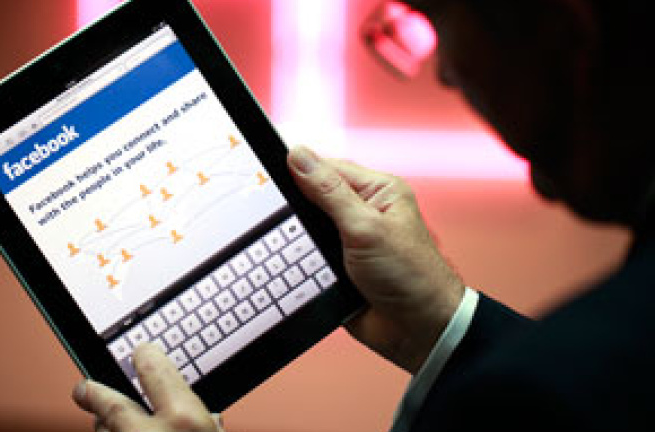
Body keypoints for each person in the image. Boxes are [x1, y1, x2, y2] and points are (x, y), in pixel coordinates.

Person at [71, 0, 655, 430]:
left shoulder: (537, 395)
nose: (445, 72)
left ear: (570, 35)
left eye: (437, 18)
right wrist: (443, 320)